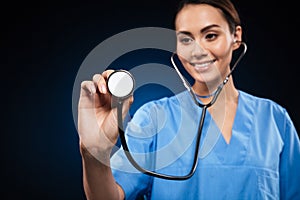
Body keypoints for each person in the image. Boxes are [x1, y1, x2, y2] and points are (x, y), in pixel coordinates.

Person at [77, 0, 300, 199]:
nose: (198, 51)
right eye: (186, 39)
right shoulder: (153, 118)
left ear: (236, 36)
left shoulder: (275, 119)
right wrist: (93, 152)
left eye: (211, 36)